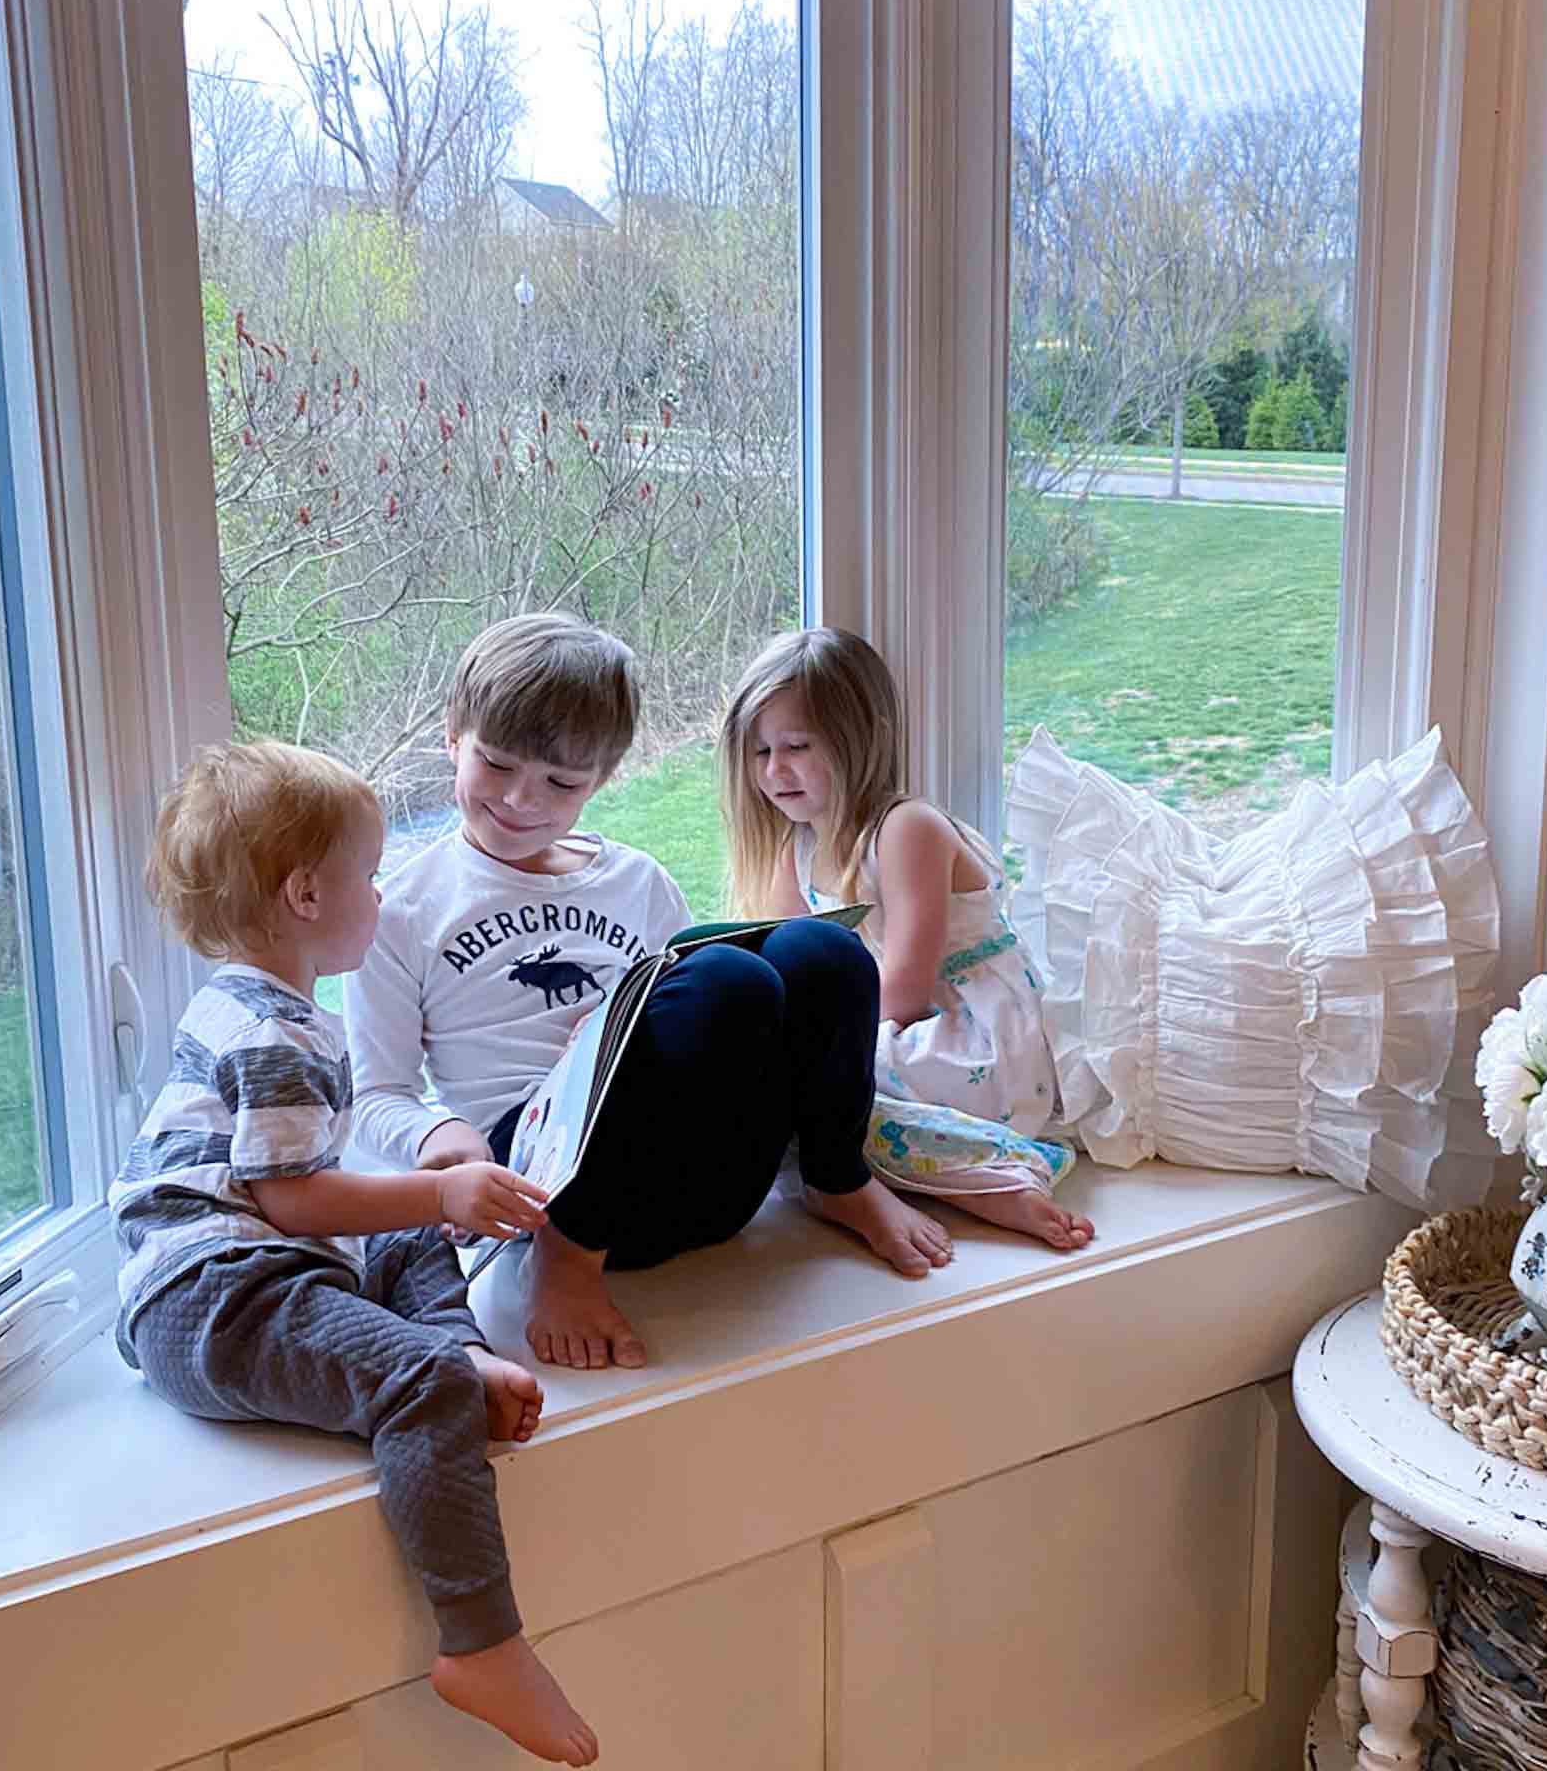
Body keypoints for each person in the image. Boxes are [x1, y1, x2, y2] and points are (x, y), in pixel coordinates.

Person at [109, 741, 597, 1767]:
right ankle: (481, 1640)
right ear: (304, 893)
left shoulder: (274, 1009)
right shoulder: (270, 1029)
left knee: (412, 1242)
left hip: (253, 1272)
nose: (379, 895)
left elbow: (307, 1205)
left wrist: (423, 1200)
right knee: (411, 1372)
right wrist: (442, 1184)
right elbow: (291, 1201)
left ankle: (460, 1353)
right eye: (368, 876)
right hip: (212, 1301)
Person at [347, 614, 952, 1377]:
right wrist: (442, 1141)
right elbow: (376, 1093)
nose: (519, 800)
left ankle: (836, 1179)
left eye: (562, 783)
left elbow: (711, 1033)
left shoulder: (636, 881)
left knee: (822, 950)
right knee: (727, 978)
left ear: (602, 779)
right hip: (545, 1182)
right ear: (452, 736)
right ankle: (567, 1261)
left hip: (705, 1178)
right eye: (495, 764)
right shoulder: (406, 908)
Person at [720, 627, 1095, 1252]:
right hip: (890, 1020)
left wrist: (820, 1057)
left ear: (857, 738)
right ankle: (867, 1173)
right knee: (782, 1082)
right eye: (760, 753)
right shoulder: (800, 842)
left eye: (796, 746)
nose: (775, 769)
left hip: (971, 1029)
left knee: (828, 1088)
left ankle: (985, 1182)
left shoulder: (905, 828)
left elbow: (908, 989)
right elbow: (795, 967)